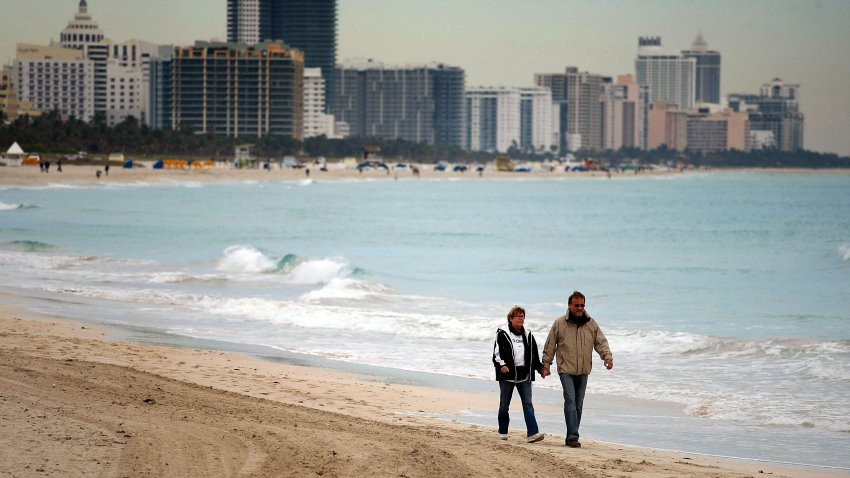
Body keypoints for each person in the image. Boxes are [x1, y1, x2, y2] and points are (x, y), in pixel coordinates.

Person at [541, 291, 613, 448]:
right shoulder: (560, 323)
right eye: (577, 305)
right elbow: (550, 345)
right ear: (569, 306)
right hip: (565, 369)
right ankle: (573, 436)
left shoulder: (591, 324)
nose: (580, 308)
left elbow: (601, 342)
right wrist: (546, 365)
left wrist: (607, 357)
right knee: (570, 401)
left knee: (578, 405)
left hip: (583, 370)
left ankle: (570, 436)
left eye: (582, 305)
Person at [492, 305, 545, 443]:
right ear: (510, 318)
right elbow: (496, 354)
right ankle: (503, 431)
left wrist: (540, 369)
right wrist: (502, 365)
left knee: (528, 404)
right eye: (518, 316)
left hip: (524, 376)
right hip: (507, 376)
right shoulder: (502, 333)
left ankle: (532, 433)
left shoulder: (528, 334)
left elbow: (534, 356)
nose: (521, 319)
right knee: (504, 406)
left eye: (522, 316)